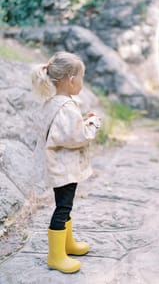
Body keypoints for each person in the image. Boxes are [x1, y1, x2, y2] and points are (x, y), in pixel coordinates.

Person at [31, 51, 101, 274]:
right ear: (72, 80)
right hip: (64, 168)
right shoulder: (66, 107)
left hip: (58, 165)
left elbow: (64, 131)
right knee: (63, 207)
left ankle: (66, 244)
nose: (81, 82)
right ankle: (55, 256)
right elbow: (76, 137)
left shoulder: (54, 103)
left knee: (65, 204)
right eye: (81, 78)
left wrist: (81, 120)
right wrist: (92, 124)